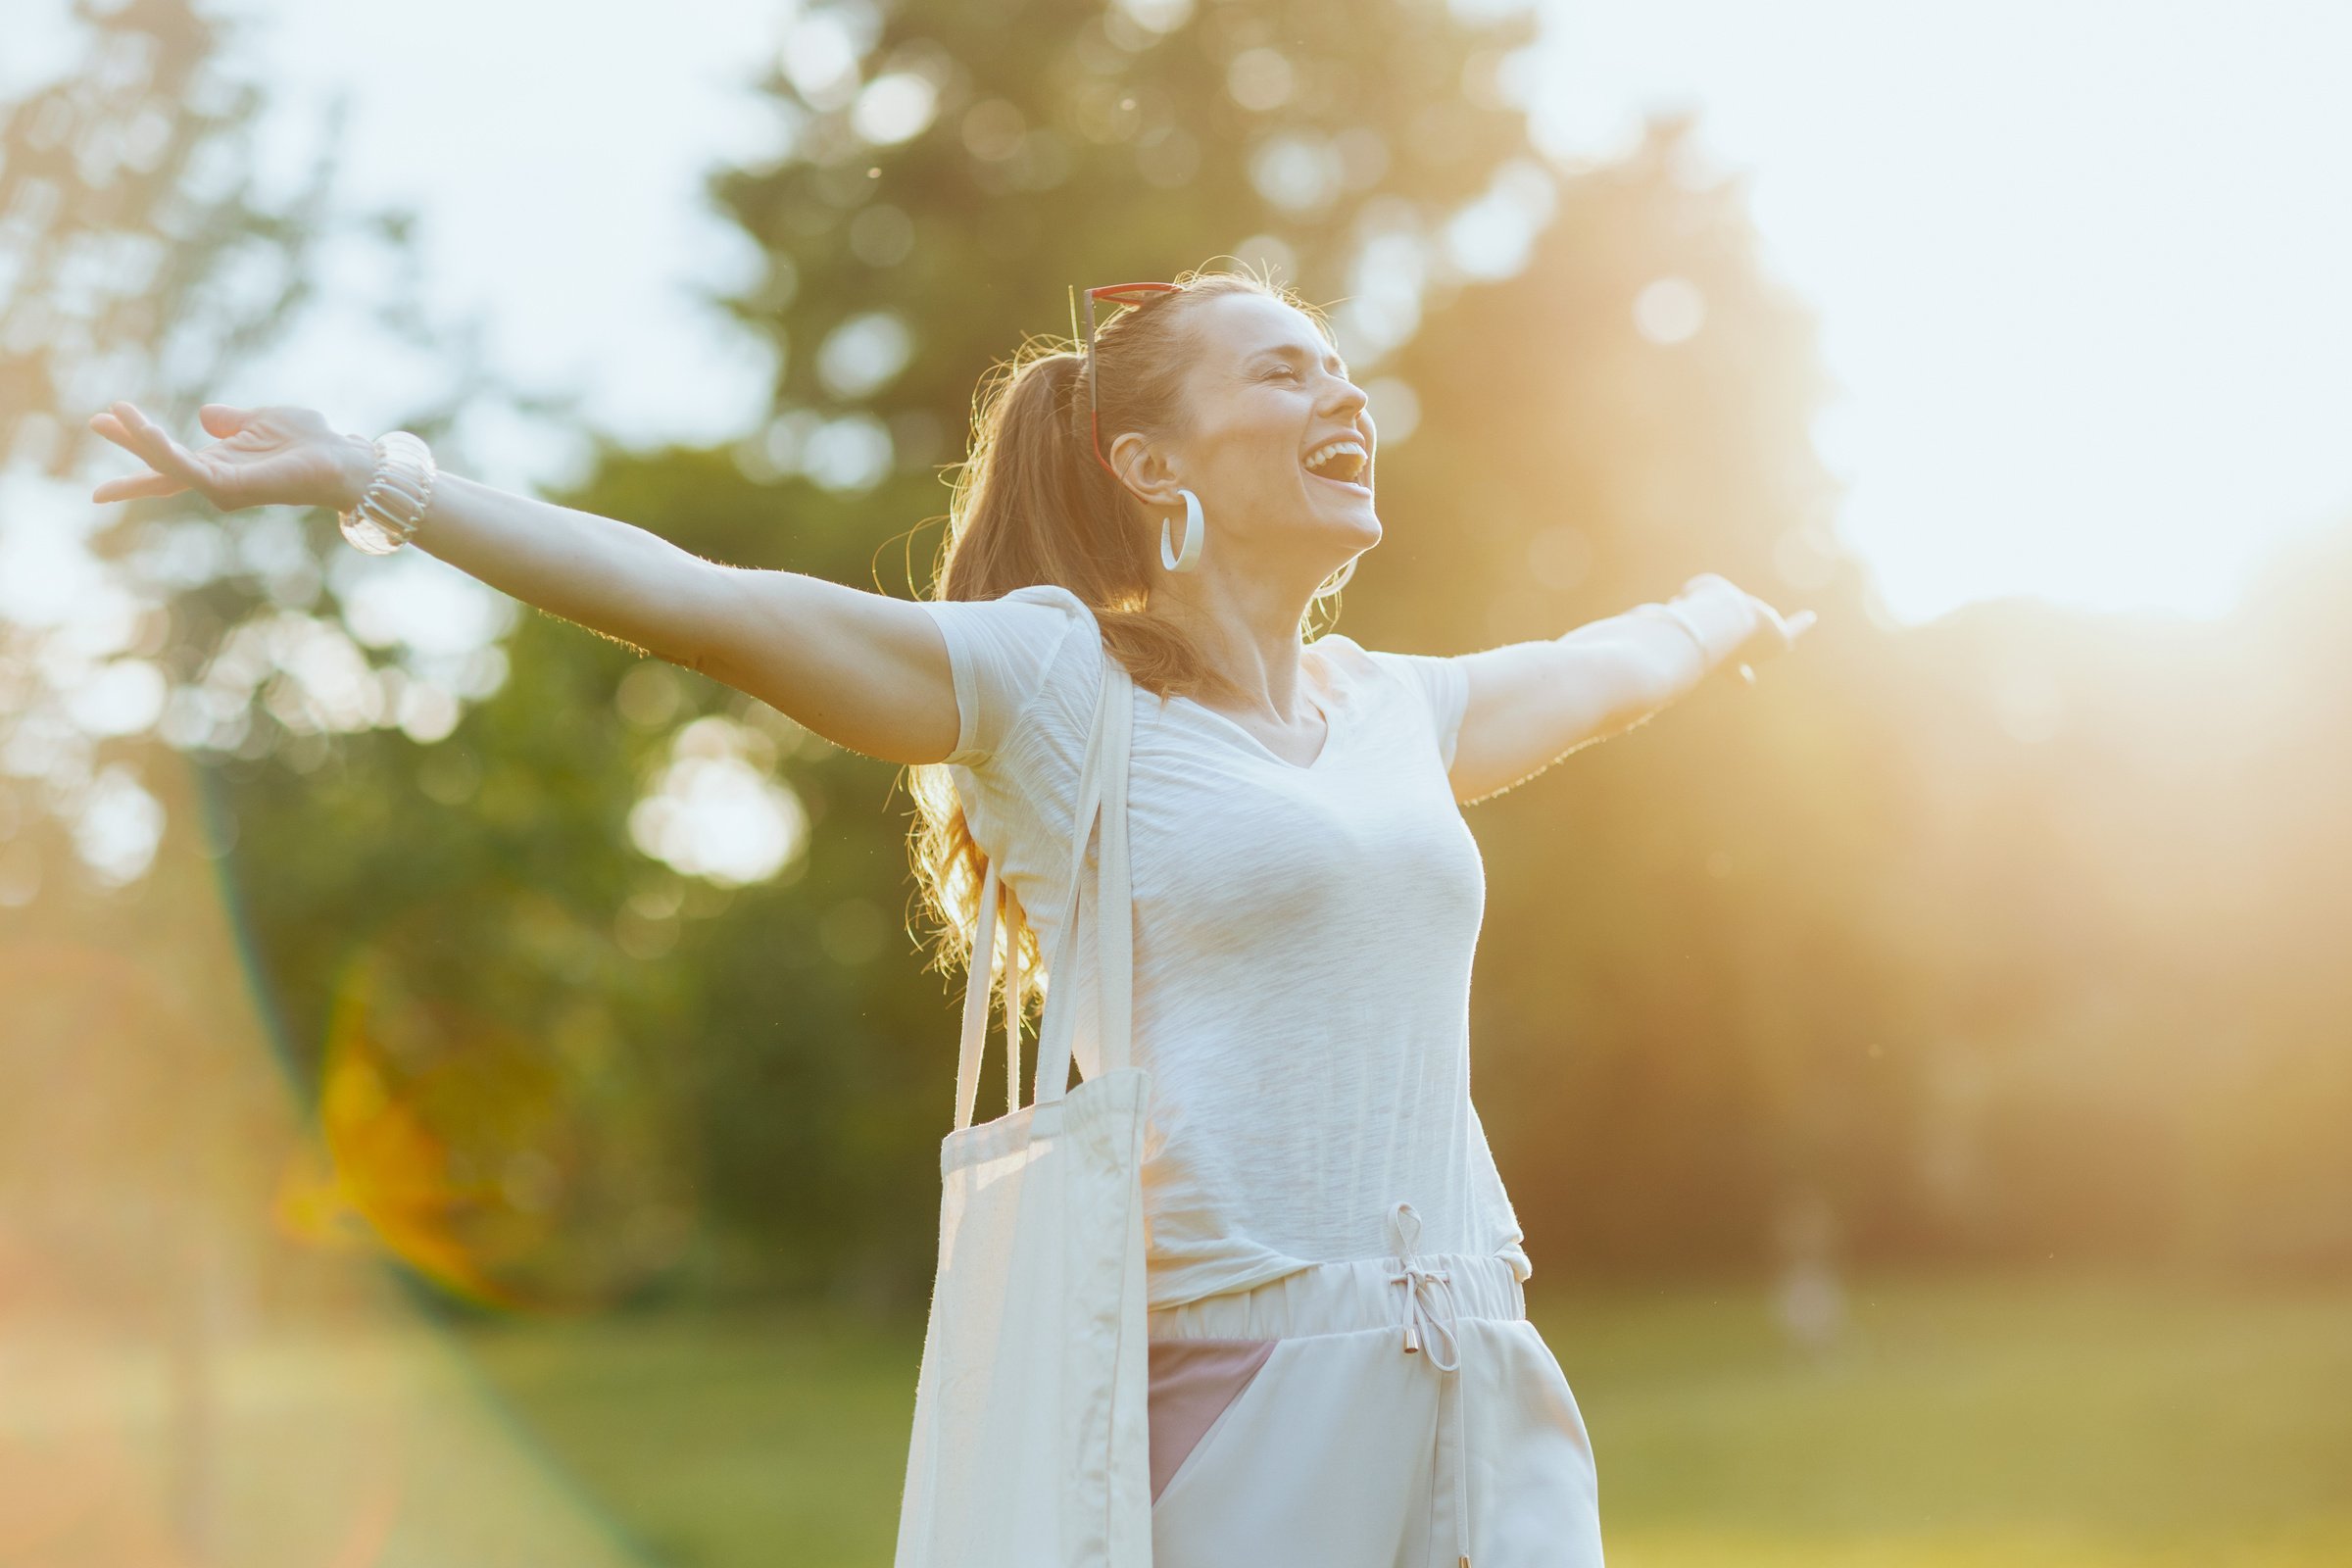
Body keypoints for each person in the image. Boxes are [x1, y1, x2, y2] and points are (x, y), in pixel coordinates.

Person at [89, 265, 1812, 1565]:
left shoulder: (1396, 713)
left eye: (1344, 367)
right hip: (1241, 1390)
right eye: (1284, 368)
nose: (1339, 392)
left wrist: (1721, 602)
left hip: (1479, 1372)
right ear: (1151, 458)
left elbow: (1601, 671)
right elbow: (708, 604)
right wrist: (372, 479)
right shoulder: (1061, 687)